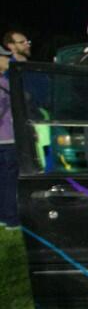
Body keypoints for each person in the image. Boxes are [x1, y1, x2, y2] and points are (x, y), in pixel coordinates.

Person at [0, 46, 19, 229]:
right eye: (4, 57)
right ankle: (11, 219)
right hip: (6, 140)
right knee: (9, 181)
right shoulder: (4, 84)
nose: (8, 60)